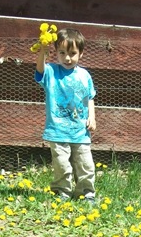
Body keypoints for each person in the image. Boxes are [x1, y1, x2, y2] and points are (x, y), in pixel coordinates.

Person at [34, 28, 97, 202]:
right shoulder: (51, 72)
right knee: (61, 165)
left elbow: (90, 97)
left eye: (72, 53)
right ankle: (62, 192)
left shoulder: (84, 75)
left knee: (86, 165)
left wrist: (92, 117)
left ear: (81, 53)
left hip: (80, 131)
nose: (67, 58)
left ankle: (86, 193)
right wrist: (42, 52)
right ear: (55, 52)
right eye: (62, 53)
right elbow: (39, 71)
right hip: (58, 130)